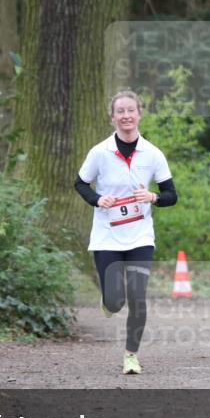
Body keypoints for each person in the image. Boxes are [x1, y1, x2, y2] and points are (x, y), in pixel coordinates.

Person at [75, 90, 178, 375]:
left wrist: (153, 197)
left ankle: (131, 355)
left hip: (140, 236)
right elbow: (80, 183)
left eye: (130, 110)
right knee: (116, 301)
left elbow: (171, 194)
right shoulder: (100, 152)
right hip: (106, 235)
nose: (126, 116)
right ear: (112, 118)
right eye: (120, 111)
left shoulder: (153, 154)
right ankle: (108, 300)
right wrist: (97, 199)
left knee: (137, 296)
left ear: (139, 114)